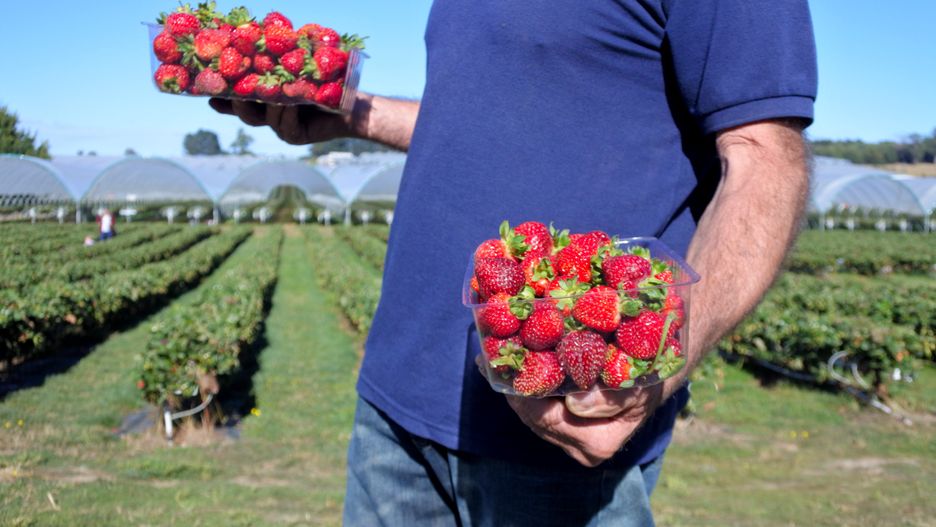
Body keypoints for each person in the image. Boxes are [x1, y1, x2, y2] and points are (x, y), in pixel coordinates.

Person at [211, 1, 817, 524]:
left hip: (555, 420)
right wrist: (355, 114)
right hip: (394, 402)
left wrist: (659, 368)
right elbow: (482, 123)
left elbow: (766, 158)